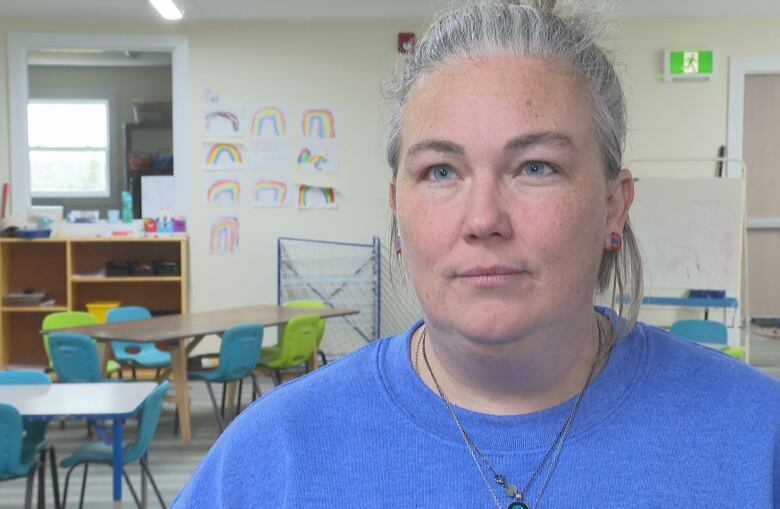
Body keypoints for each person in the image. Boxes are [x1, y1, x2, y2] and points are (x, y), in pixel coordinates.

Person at [173, 1, 780, 507]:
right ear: (397, 211)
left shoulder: (759, 439)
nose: (484, 219)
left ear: (613, 207)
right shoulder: (269, 458)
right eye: (441, 171)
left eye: (535, 167)